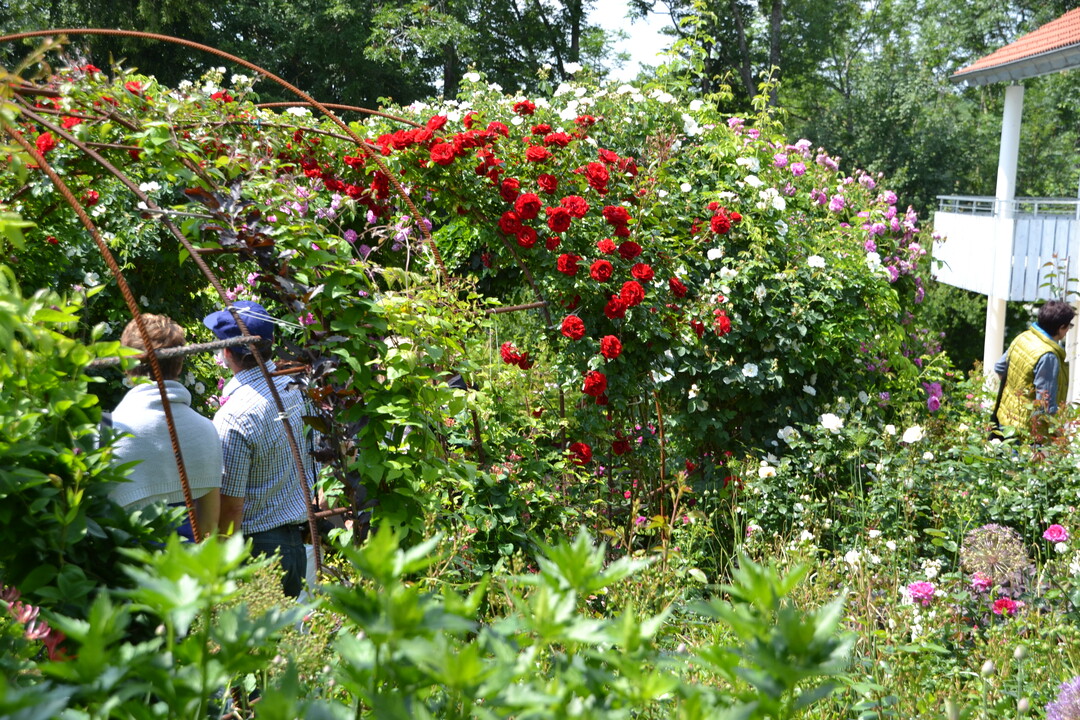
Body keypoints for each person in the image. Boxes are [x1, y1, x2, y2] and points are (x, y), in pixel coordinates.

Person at [204, 300, 316, 598]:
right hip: (296, 546)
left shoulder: (235, 415)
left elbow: (231, 507)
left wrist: (218, 570)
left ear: (227, 353)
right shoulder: (298, 388)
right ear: (270, 343)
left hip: (257, 553)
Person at [109, 315, 222, 539]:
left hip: (125, 557)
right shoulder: (206, 430)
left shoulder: (108, 431)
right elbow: (209, 525)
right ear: (179, 364)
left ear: (126, 364)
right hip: (187, 558)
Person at [993, 299, 1075, 436]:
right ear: (1061, 327)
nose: (1068, 330)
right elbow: (1045, 405)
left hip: (1005, 418)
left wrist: (1016, 393)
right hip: (1026, 432)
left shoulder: (1024, 337)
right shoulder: (1048, 356)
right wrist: (1058, 434)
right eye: (1069, 326)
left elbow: (1000, 368)